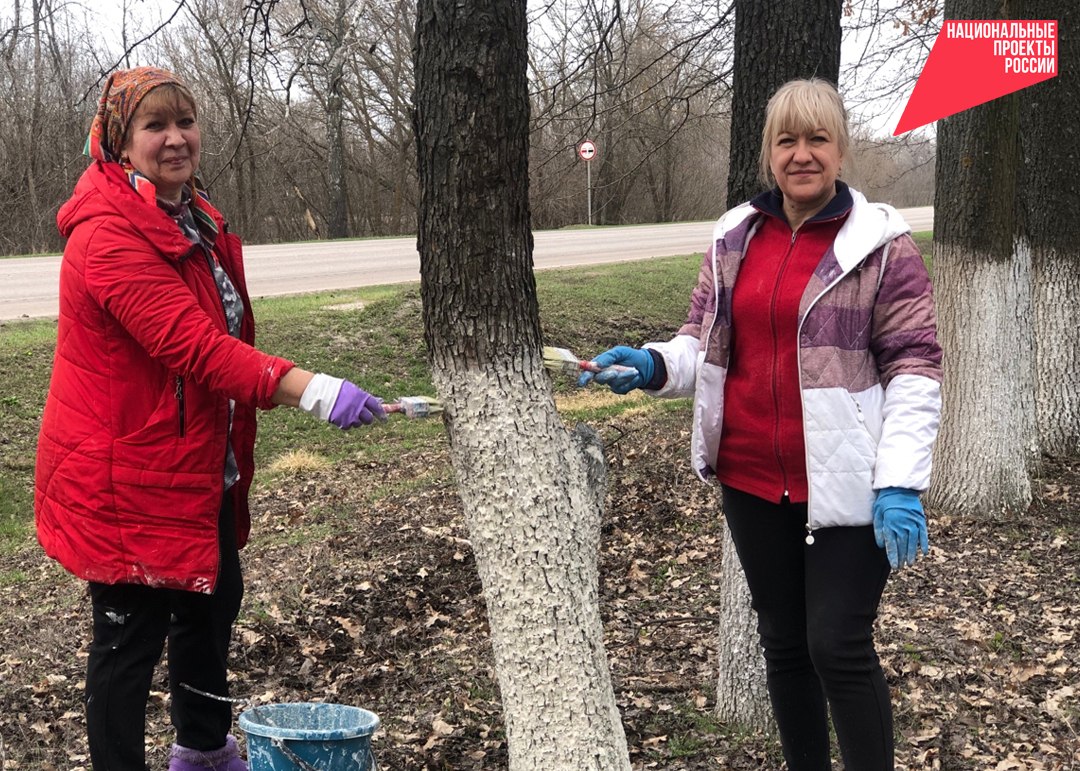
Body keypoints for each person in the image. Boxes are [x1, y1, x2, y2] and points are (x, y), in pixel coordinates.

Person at [581, 78, 941, 770]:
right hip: (750, 477)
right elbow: (702, 341)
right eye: (787, 140)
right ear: (768, 153)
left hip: (845, 483)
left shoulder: (882, 245)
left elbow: (916, 366)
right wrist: (655, 364)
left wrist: (899, 481)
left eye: (817, 139)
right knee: (783, 641)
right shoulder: (735, 234)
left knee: (836, 642)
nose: (801, 154)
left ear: (841, 150)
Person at [34, 66, 386, 771]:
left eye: (184, 121)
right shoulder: (106, 233)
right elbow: (192, 346)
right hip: (124, 472)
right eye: (154, 126)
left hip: (198, 462)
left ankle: (202, 754)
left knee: (212, 604)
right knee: (128, 642)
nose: (174, 139)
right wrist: (309, 388)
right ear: (118, 140)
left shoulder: (194, 215)